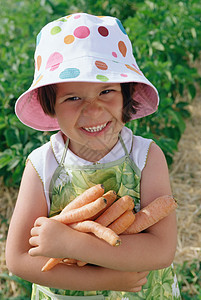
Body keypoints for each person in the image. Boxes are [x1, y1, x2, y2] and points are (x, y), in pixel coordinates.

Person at [6, 12, 181, 299]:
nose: (93, 110)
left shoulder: (146, 156)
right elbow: (19, 258)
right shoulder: (42, 165)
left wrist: (73, 244)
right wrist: (105, 278)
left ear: (127, 95)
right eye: (73, 98)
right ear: (50, 107)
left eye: (106, 91)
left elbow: (161, 250)